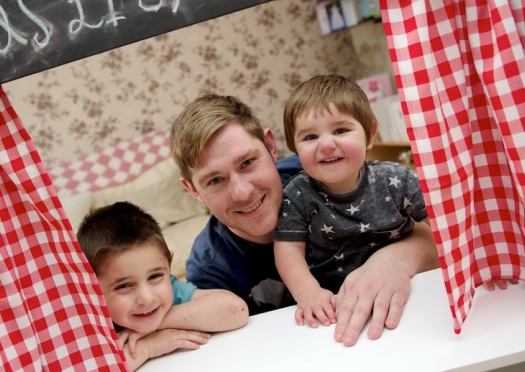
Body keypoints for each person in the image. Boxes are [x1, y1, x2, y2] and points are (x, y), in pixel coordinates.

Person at [170, 93, 439, 347]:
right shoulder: (210, 270)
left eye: (248, 162)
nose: (243, 192)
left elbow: (433, 231)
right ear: (193, 190)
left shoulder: (321, 169)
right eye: (215, 180)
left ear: (271, 146)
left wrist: (395, 260)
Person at [274, 74, 429, 329]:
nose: (326, 144)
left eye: (340, 130)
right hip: (333, 307)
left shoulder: (397, 179)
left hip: (405, 291)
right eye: (310, 137)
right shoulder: (297, 193)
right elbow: (288, 250)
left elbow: (444, 220)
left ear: (370, 135)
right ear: (295, 148)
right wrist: (307, 293)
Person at [77, 201, 248, 370]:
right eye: (124, 286)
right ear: (91, 287)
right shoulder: (91, 318)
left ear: (169, 265)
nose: (147, 298)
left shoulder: (173, 290)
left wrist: (155, 325)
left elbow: (235, 310)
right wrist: (148, 347)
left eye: (155, 276)